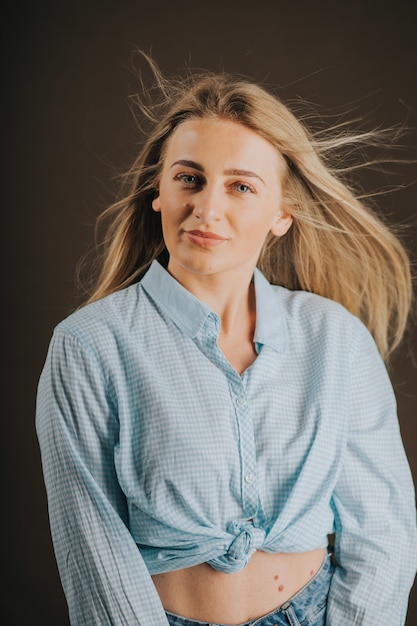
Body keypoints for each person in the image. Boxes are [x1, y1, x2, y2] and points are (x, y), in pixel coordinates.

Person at [36, 51, 417, 626]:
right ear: (158, 192)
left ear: (281, 213)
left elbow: (383, 531)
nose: (206, 207)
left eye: (241, 187)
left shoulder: (335, 340)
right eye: (189, 178)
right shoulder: (89, 346)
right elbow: (94, 554)